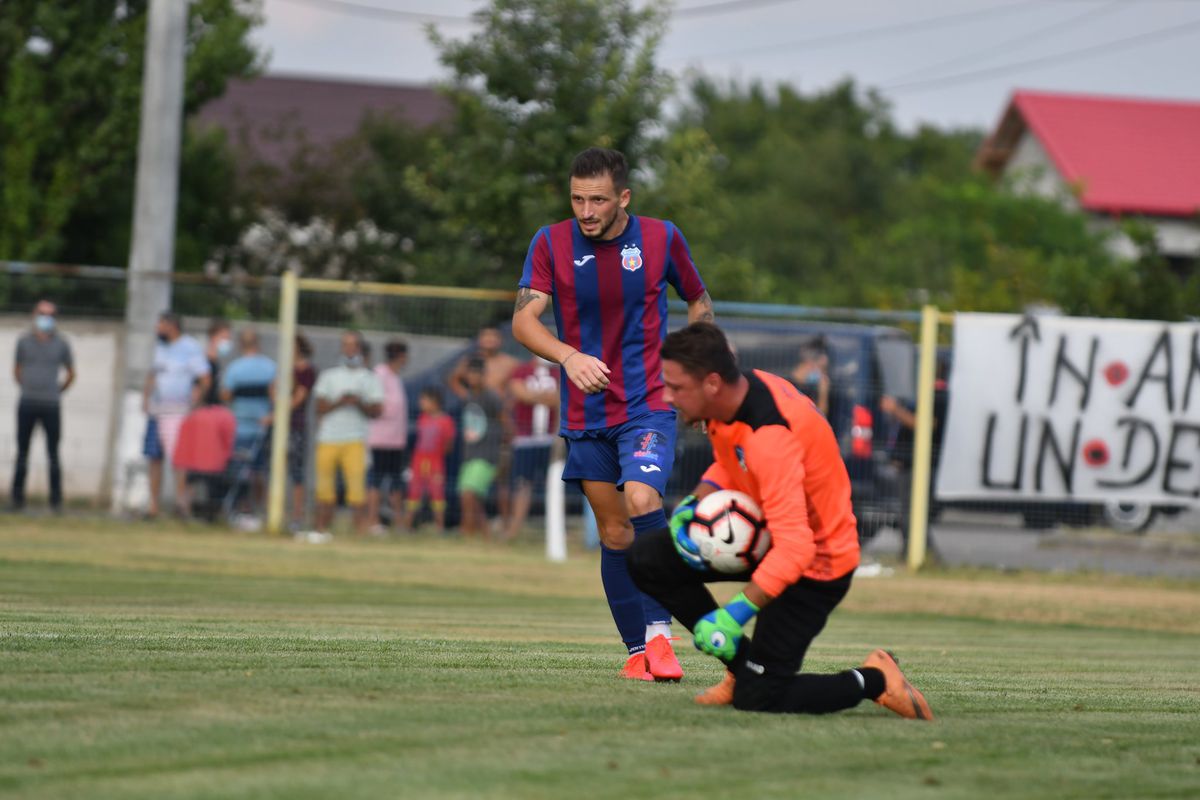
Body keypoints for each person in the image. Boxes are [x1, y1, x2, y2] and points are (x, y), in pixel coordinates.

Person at [628, 322, 933, 719]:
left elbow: (797, 548)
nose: (668, 397)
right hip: (771, 540)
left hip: (817, 566)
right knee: (648, 556)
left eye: (676, 387)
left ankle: (875, 678)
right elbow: (727, 460)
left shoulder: (771, 439)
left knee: (762, 698)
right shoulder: (736, 398)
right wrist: (694, 502)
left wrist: (732, 616)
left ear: (712, 383)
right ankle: (742, 669)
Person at [512, 146, 714, 682]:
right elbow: (524, 321)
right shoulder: (550, 242)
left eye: (597, 199)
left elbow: (699, 300)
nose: (586, 210)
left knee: (644, 497)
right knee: (615, 532)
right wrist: (569, 357)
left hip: (648, 404)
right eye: (577, 198)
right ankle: (636, 654)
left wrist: (697, 375)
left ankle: (661, 636)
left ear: (623, 197)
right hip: (585, 414)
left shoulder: (661, 238)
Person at [309, 331, 383, 539]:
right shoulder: (329, 376)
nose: (349, 349)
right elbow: (319, 406)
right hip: (328, 438)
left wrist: (358, 402)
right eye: (346, 345)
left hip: (355, 439)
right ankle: (321, 529)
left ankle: (359, 531)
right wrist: (340, 401)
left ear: (360, 348)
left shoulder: (369, 379)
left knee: (357, 489)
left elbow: (377, 410)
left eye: (353, 345)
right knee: (324, 488)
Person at [143, 312, 210, 518]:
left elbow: (205, 378)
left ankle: (181, 506)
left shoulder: (189, 347)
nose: (157, 329)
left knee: (179, 460)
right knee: (154, 457)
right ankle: (153, 507)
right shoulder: (160, 347)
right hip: (158, 410)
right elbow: (153, 374)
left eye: (161, 325)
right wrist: (145, 398)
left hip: (179, 413)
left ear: (172, 326)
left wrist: (195, 404)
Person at [10, 299, 75, 512]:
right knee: (22, 452)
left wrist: (57, 390)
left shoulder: (62, 343)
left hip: (51, 405)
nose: (46, 318)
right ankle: (17, 500)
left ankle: (56, 502)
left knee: (53, 454)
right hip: (27, 402)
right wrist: (28, 386)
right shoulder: (24, 342)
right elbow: (17, 370)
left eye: (50, 314)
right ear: (34, 314)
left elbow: (71, 373)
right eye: (42, 313)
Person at [501, 355, 559, 541]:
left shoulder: (558, 373)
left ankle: (556, 532)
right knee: (522, 484)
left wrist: (532, 396)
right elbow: (519, 392)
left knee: (555, 483)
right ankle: (514, 530)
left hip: (551, 439)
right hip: (525, 439)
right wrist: (545, 397)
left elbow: (560, 399)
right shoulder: (522, 370)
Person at [220, 327, 277, 512]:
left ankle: (242, 509)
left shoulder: (234, 368)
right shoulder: (270, 367)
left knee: (240, 471)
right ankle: (260, 511)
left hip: (240, 427)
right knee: (260, 472)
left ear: (240, 345)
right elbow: (275, 396)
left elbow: (226, 395)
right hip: (263, 427)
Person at [457, 357, 506, 538]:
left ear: (484, 375)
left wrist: (504, 448)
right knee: (472, 497)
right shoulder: (468, 396)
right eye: (470, 373)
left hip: (486, 454)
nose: (473, 377)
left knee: (469, 494)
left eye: (477, 373)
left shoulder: (491, 396)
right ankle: (484, 533)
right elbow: (451, 380)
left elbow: (505, 421)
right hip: (470, 453)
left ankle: (467, 532)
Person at [366, 339, 409, 534]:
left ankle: (399, 522)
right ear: (400, 356)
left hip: (396, 440)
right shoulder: (379, 374)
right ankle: (373, 520)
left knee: (395, 482)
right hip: (380, 439)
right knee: (376, 480)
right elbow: (374, 404)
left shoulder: (395, 376)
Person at [403, 387, 456, 531]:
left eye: (424, 400)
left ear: (435, 402)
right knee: (414, 492)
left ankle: (440, 527)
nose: (421, 403)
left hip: (436, 462)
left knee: (437, 493)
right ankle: (407, 525)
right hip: (418, 462)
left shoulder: (446, 421)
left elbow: (448, 445)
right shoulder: (422, 418)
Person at [288, 334, 317, 527]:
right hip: (280, 426)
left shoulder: (307, 371)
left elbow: (298, 399)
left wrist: (277, 414)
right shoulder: (283, 368)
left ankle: (297, 515)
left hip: (296, 426)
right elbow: (273, 393)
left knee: (297, 472)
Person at [790, 336, 830, 418]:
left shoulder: (812, 389)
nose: (823, 375)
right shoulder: (788, 387)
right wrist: (823, 394)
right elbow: (819, 418)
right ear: (810, 364)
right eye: (822, 369)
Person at [203, 319, 233, 406]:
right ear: (213, 337)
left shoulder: (217, 363)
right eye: (224, 338)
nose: (227, 343)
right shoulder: (204, 362)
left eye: (228, 339)